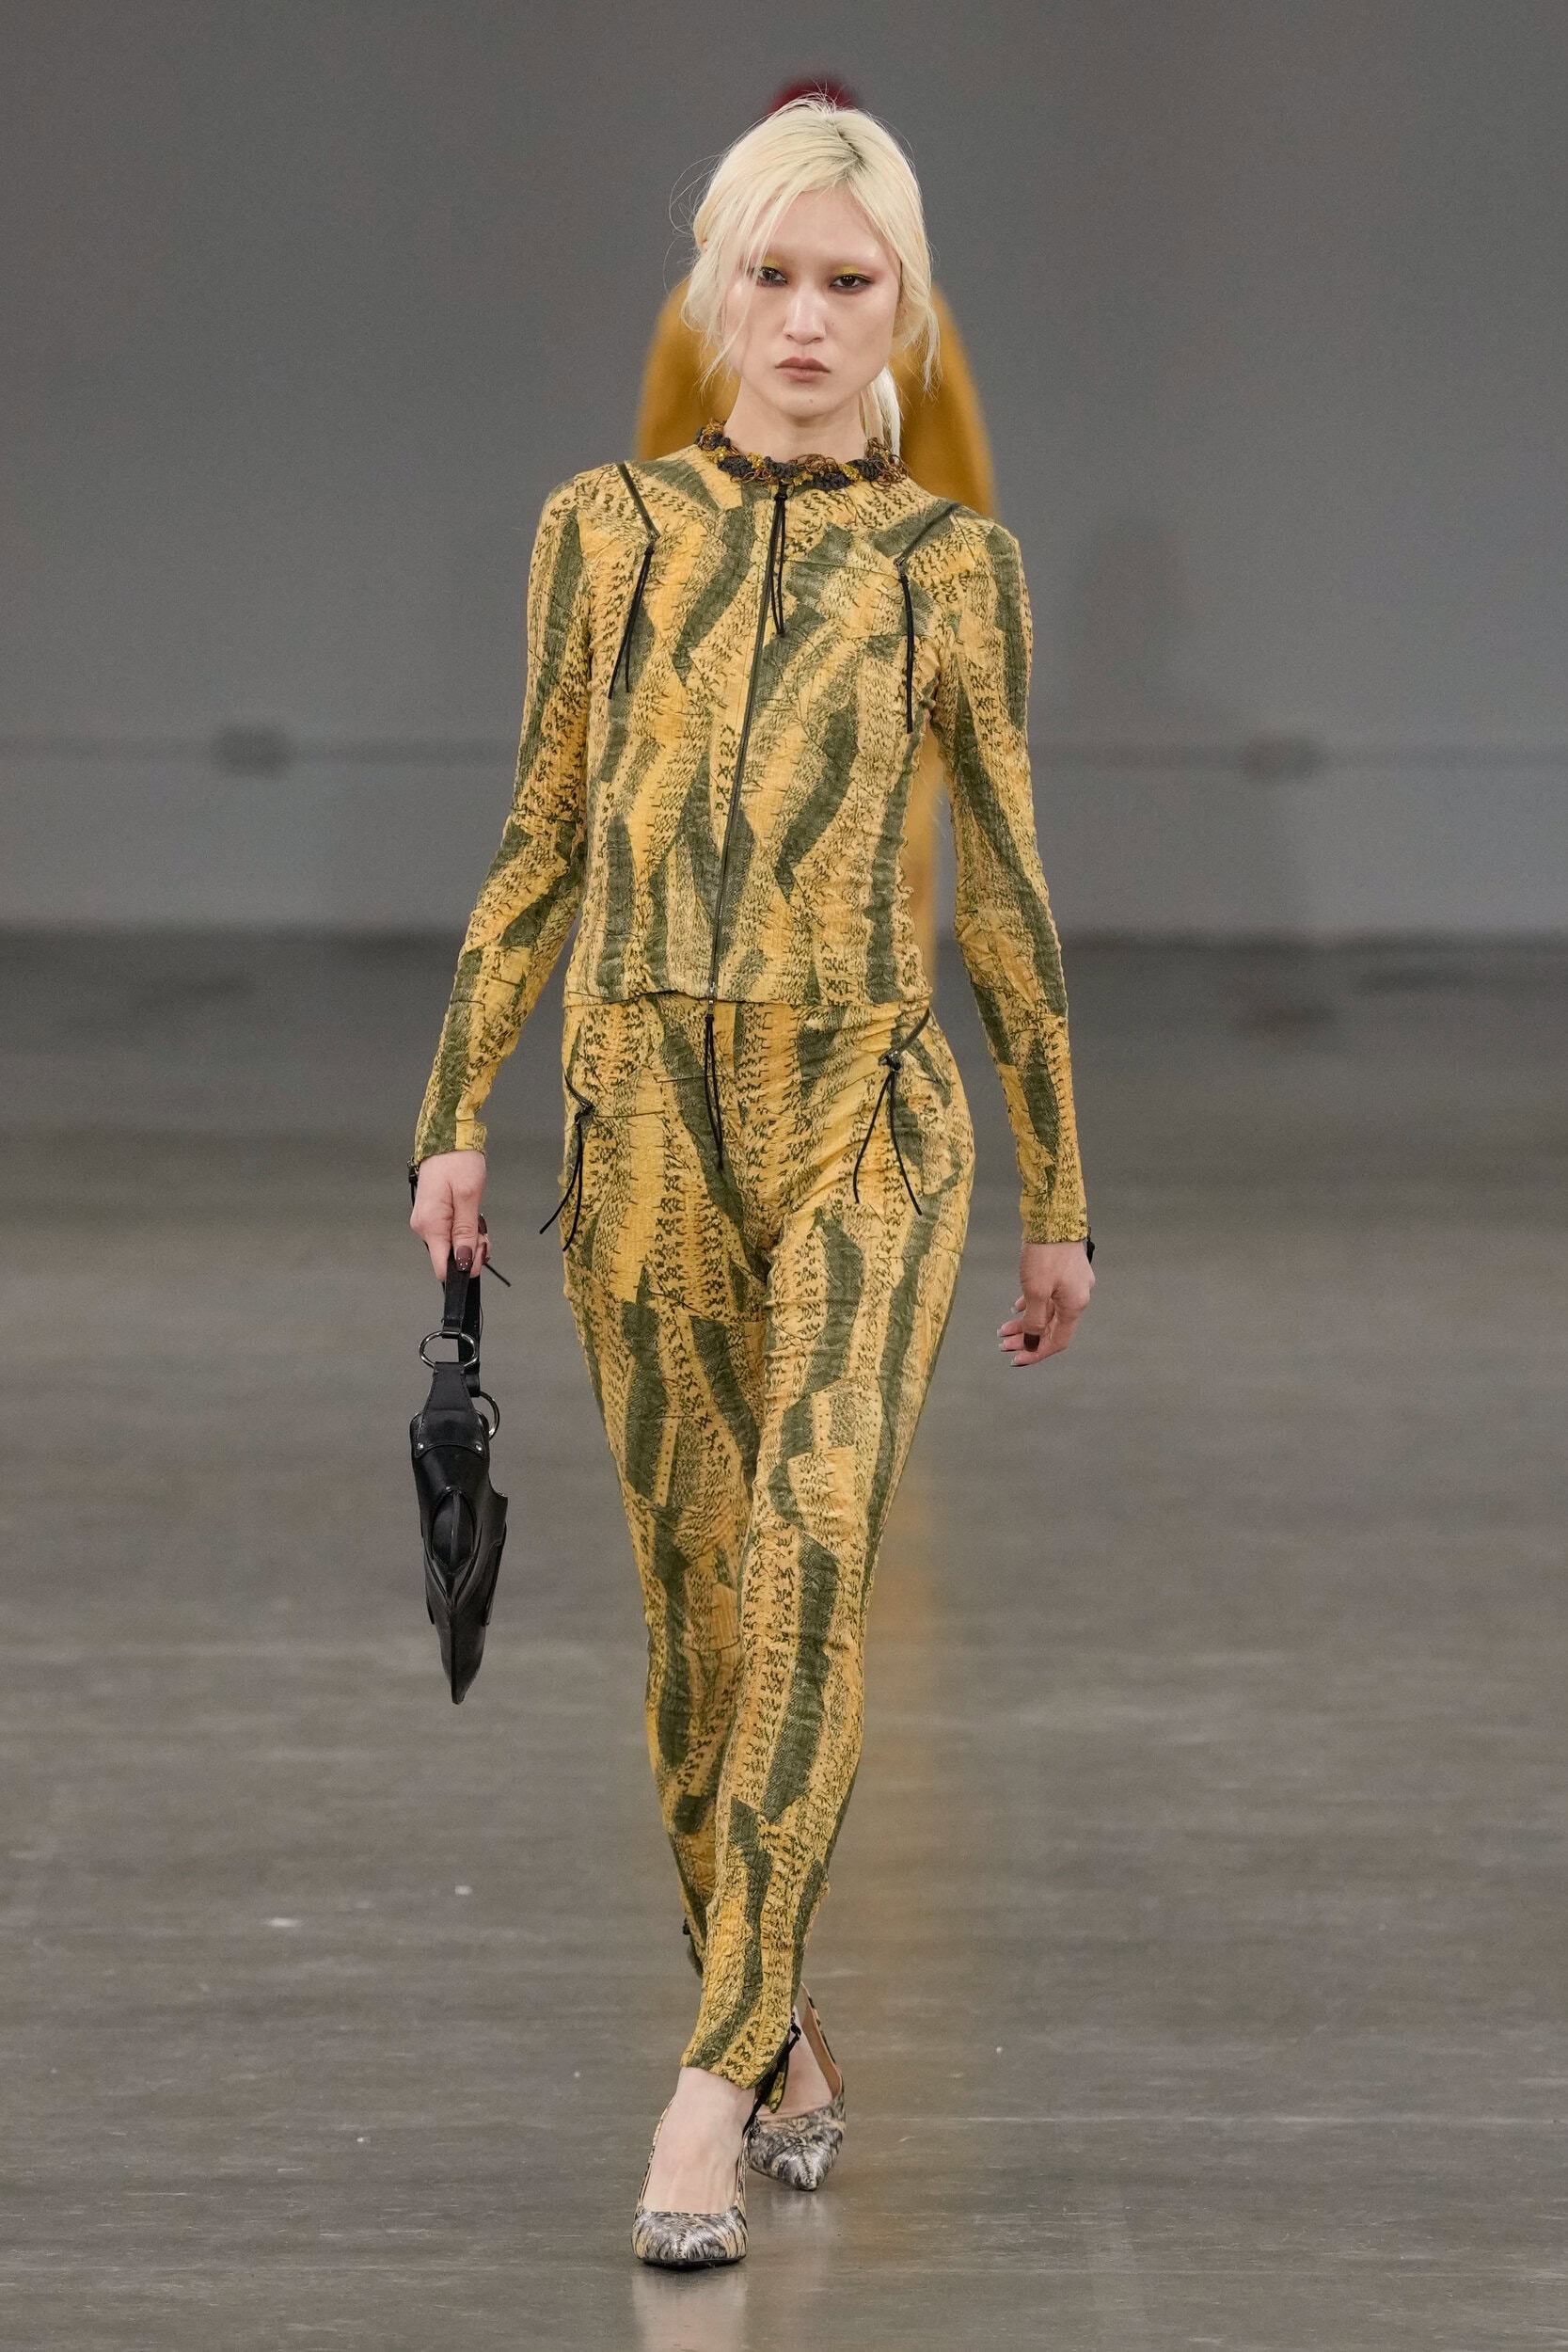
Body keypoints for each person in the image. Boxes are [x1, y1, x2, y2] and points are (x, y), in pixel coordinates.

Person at [409, 97, 1094, 2269]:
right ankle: (779, 2022)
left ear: (905, 309)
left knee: (805, 1561)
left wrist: (1058, 1186)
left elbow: (1004, 888)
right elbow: (543, 828)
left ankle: (703, 2087)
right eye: (769, 276)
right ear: (714, 290)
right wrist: (454, 1106)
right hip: (635, 1115)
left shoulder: (950, 568)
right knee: (696, 1615)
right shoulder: (600, 531)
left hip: (860, 1114)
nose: (804, 319)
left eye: (847, 282)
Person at [635, 78, 996, 987]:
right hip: (727, 611)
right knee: (715, 845)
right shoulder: (695, 313)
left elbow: (953, 468)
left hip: (880, 602)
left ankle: (883, 1036)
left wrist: (947, 599)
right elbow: (663, 464)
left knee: (890, 846)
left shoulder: (912, 316)